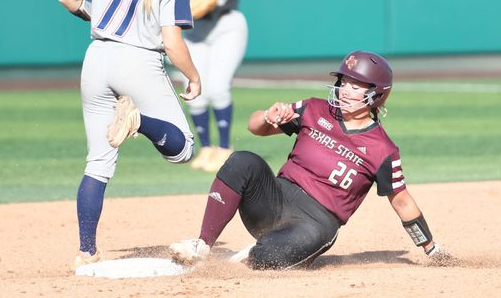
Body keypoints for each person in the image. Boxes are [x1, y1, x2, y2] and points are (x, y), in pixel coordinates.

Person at [168, 51, 448, 270]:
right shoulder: (314, 108)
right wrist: (268, 116)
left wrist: (430, 247)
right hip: (274, 199)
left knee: (268, 258)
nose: (346, 90)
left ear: (377, 94)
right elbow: (254, 127)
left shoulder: (382, 148)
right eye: (344, 82)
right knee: (242, 161)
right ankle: (202, 245)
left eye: (356, 85)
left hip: (315, 223)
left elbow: (402, 200)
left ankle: (260, 251)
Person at [58, 0, 201, 269]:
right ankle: (138, 121)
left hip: (98, 57)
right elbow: (172, 41)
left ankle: (86, 250)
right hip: (138, 60)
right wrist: (193, 76)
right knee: (183, 148)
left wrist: (96, 17)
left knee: (98, 162)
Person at [172, 0, 251, 172]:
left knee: (217, 87)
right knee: (194, 91)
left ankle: (225, 149)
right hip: (194, 29)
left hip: (225, 23)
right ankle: (206, 147)